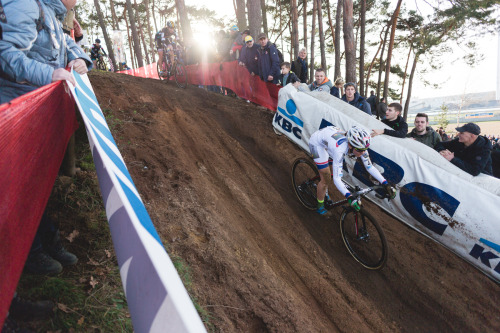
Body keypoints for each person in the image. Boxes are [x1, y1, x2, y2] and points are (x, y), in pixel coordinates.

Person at [308, 126, 396, 215]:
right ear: (350, 145)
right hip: (316, 144)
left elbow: (369, 167)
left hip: (329, 140)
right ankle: (320, 206)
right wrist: (349, 196)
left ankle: (324, 190)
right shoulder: (340, 150)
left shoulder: (361, 145)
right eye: (359, 150)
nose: (363, 153)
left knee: (331, 169)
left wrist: (385, 183)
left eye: (364, 150)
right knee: (326, 179)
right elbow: (337, 179)